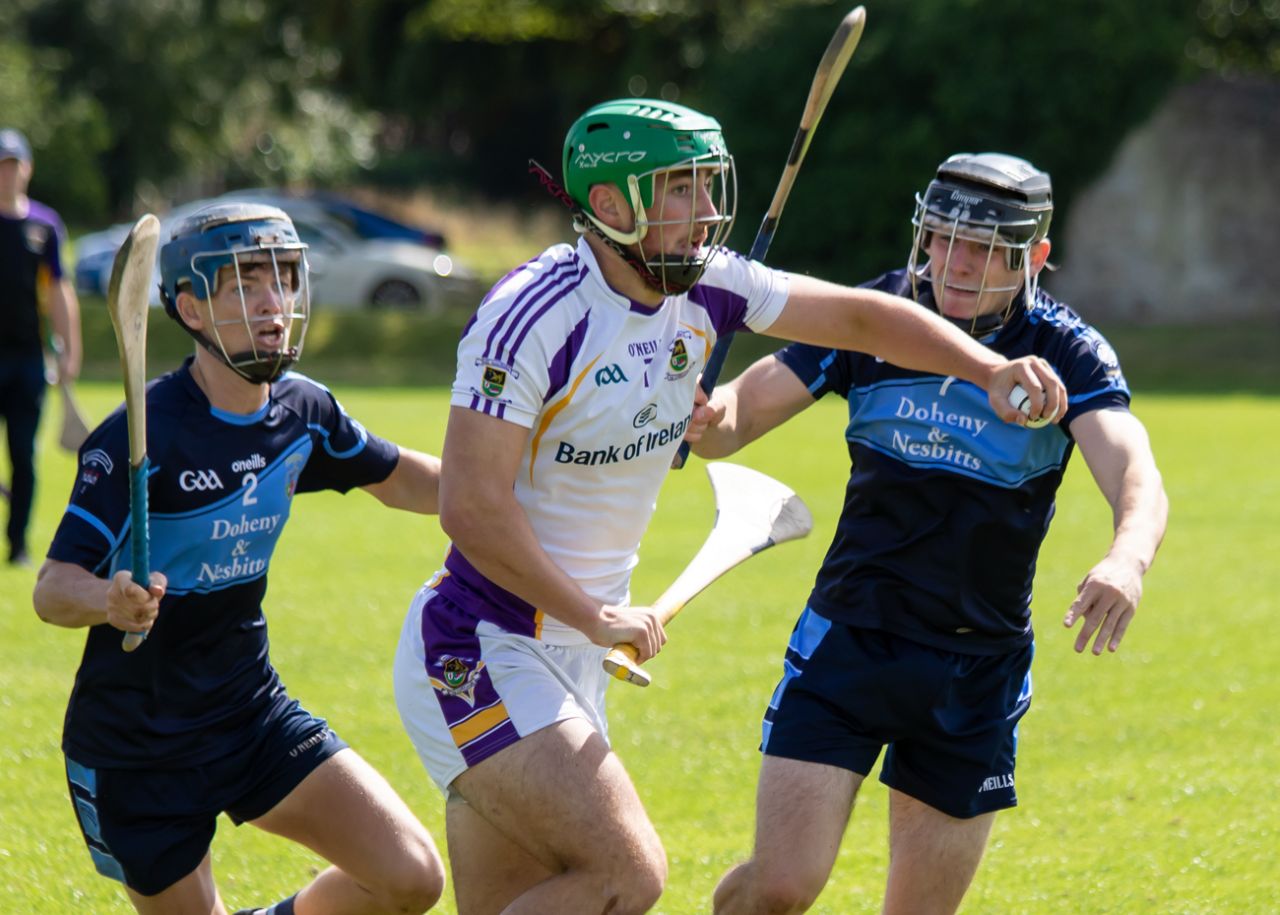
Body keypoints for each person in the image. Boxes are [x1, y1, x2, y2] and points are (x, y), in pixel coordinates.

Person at [391, 100, 1065, 915]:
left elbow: (863, 318)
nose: (707, 209)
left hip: (571, 654)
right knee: (627, 873)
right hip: (481, 644)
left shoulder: (712, 286)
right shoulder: (530, 317)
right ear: (610, 205)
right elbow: (471, 508)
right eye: (680, 188)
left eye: (710, 184)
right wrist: (594, 613)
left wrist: (985, 367)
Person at [691, 152, 1169, 914]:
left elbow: (1134, 468)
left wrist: (1127, 557)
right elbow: (739, 419)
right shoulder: (877, 315)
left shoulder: (1066, 350)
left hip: (976, 667)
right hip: (850, 638)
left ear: (1035, 257)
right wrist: (707, 419)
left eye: (984, 247)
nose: (956, 262)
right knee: (778, 886)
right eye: (943, 237)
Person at [33, 202, 446, 915]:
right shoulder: (140, 435)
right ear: (191, 309)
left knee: (411, 875)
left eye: (284, 280)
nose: (274, 304)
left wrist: (521, 481)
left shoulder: (302, 413)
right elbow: (51, 588)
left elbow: (406, 478)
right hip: (137, 744)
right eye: (246, 285)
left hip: (248, 710)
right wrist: (109, 598)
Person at [0, 127, 82, 566]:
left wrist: (71, 348)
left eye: (13, 166)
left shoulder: (44, 225)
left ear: (27, 170)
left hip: (29, 358)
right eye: (1, 167)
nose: (7, 175)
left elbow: (58, 291)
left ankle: (18, 546)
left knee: (24, 456)